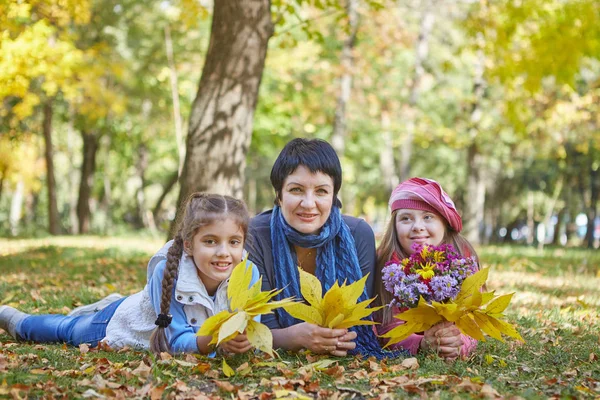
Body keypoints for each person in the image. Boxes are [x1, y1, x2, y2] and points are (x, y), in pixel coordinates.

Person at [0, 193, 258, 356]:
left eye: (234, 242)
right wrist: (215, 341)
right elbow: (175, 340)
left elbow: (250, 324)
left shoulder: (249, 274)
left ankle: (109, 303)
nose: (224, 252)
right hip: (125, 325)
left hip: (142, 307)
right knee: (68, 330)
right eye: (211, 241)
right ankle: (20, 323)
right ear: (189, 244)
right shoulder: (169, 272)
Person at [247, 138, 388, 357]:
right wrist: (296, 338)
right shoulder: (255, 235)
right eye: (296, 190)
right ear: (279, 195)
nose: (309, 203)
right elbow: (261, 327)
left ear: (333, 196)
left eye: (321, 191)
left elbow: (357, 319)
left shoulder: (359, 234)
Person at [374, 177, 479, 361]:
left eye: (427, 217)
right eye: (406, 218)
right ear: (395, 225)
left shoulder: (462, 259)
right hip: (412, 338)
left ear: (444, 223)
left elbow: (473, 318)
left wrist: (458, 344)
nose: (417, 227)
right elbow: (387, 326)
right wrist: (419, 345)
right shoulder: (387, 266)